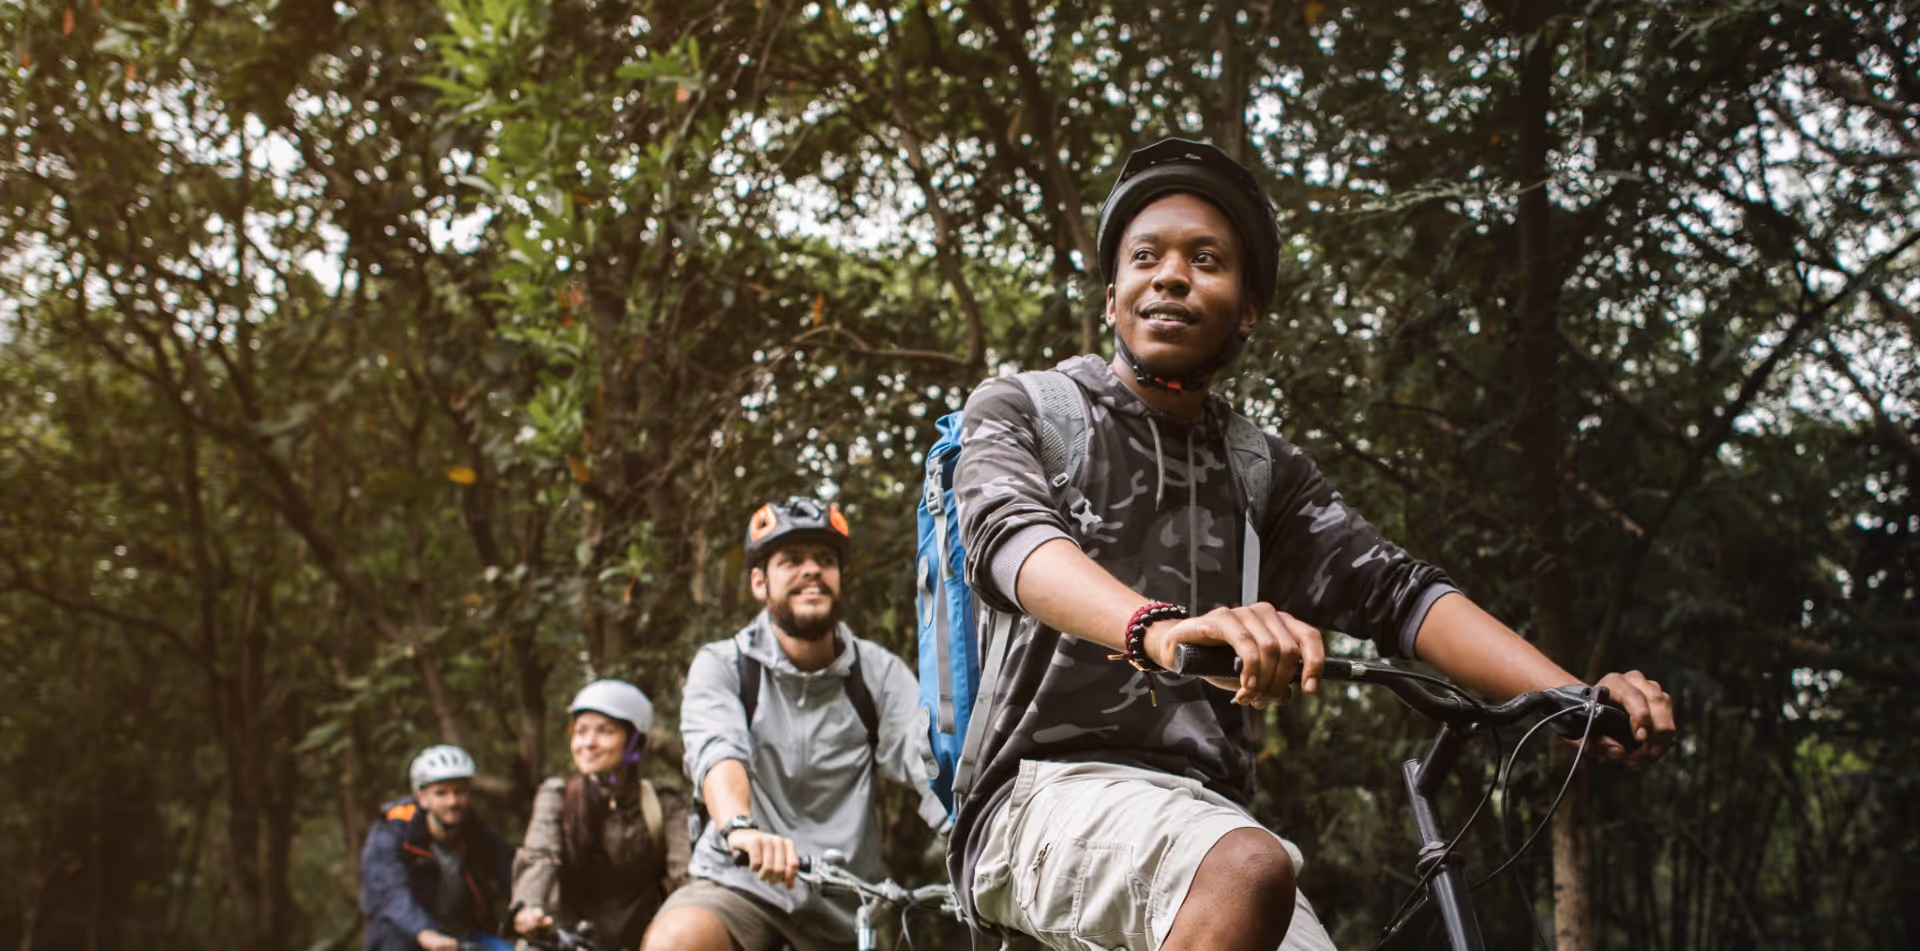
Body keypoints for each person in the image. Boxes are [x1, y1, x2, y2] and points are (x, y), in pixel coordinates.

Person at [948, 138, 1679, 951]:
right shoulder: (1028, 409)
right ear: (1114, 293)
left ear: (1249, 308)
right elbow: (1008, 540)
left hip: (1204, 816)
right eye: (1145, 256)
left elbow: (1398, 594)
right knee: (1250, 870)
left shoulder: (1262, 470)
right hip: (1038, 796)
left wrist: (1571, 701)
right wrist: (1156, 626)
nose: (1171, 275)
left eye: (1207, 260)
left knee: (1257, 882)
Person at [639, 497, 947, 951]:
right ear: (760, 583)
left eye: (825, 560)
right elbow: (718, 753)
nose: (811, 571)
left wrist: (974, 832)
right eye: (791, 561)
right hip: (742, 883)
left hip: (849, 900)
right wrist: (740, 829)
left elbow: (930, 759)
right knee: (678, 940)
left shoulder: (876, 673)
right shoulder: (724, 665)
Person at [512, 679, 692, 949]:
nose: (588, 743)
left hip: (644, 940)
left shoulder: (664, 802)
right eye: (580, 731)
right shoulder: (557, 796)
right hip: (566, 939)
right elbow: (540, 855)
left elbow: (686, 875)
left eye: (604, 731)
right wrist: (528, 909)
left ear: (634, 741)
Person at [361, 744, 516, 951]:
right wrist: (424, 932)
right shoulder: (393, 832)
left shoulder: (475, 830)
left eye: (459, 792)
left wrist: (526, 908)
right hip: (406, 937)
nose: (452, 801)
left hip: (465, 936)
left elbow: (511, 868)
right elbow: (391, 892)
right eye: (441, 793)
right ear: (423, 798)